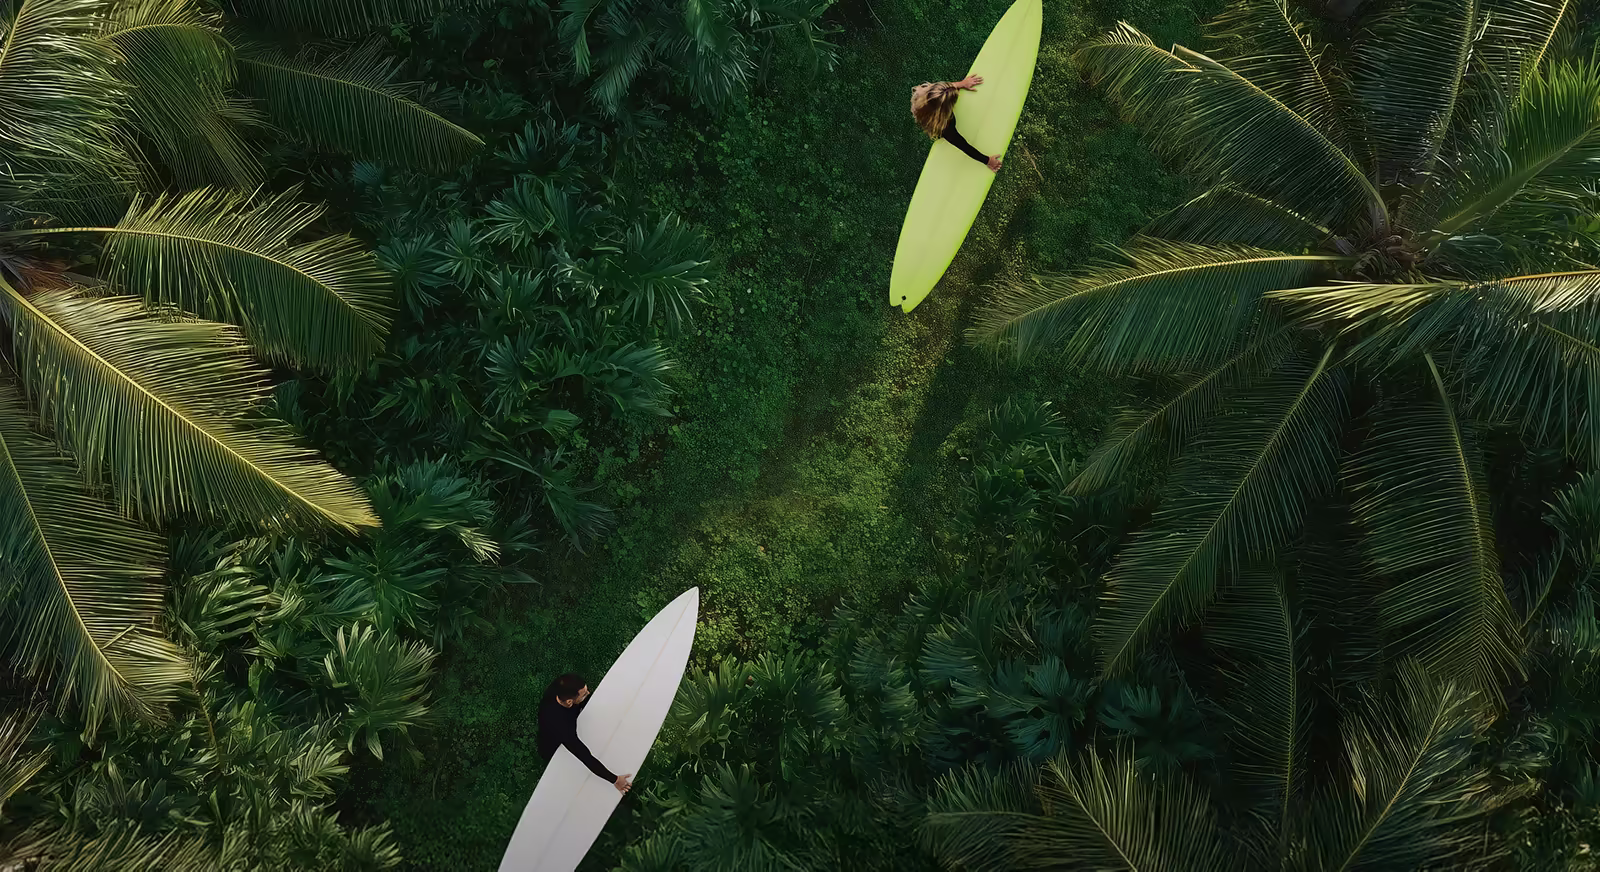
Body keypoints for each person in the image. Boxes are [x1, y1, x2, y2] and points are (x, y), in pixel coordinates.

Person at [536, 673, 632, 794]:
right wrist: (615, 779)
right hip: (552, 742)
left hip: (567, 715)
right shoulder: (560, 726)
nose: (589, 693)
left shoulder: (561, 687)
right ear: (570, 702)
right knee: (563, 761)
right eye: (584, 694)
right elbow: (584, 755)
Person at [911, 77, 1002, 172]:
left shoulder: (926, 91)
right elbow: (963, 145)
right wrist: (988, 161)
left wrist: (962, 84)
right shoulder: (945, 127)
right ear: (947, 109)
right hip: (933, 119)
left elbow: (942, 90)